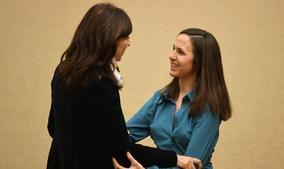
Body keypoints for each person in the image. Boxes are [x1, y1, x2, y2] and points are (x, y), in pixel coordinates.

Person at [46, 3, 202, 169]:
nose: (128, 43)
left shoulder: (63, 70)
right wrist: (175, 159)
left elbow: (53, 127)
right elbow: (122, 150)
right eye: (125, 37)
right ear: (110, 39)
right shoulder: (100, 80)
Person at [127, 28, 232, 169]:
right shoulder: (160, 99)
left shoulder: (210, 108)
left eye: (180, 52)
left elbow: (191, 165)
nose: (171, 56)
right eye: (173, 49)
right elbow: (122, 138)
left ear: (199, 62)